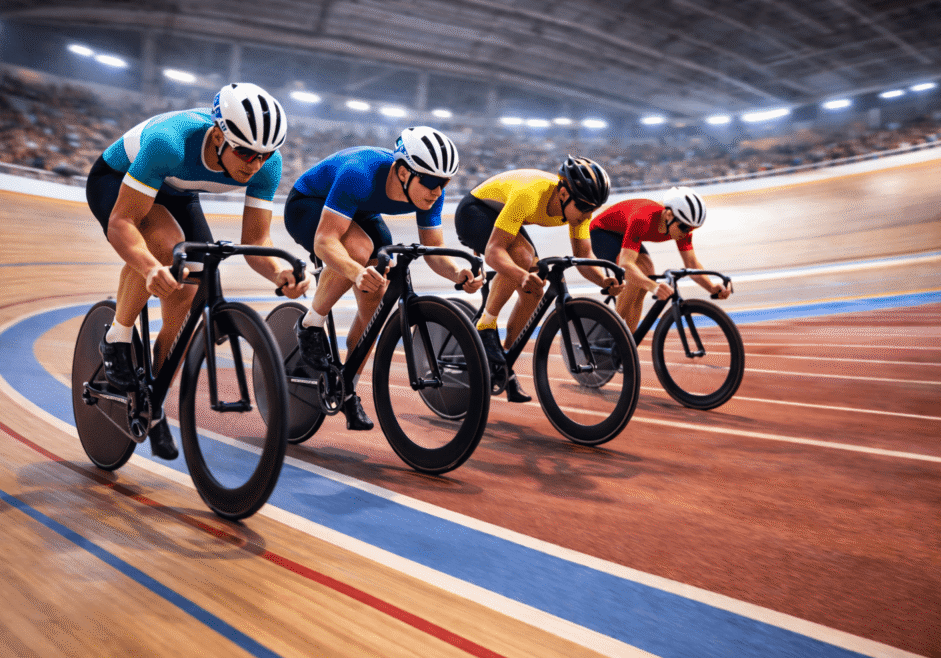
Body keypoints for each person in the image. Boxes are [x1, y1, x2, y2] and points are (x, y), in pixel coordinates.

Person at [85, 82, 311, 460]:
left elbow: (256, 241)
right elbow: (122, 222)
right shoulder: (168, 142)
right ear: (219, 134)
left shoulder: (267, 164)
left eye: (263, 155)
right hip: (116, 180)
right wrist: (149, 267)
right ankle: (118, 337)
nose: (253, 165)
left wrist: (278, 273)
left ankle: (152, 404)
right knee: (162, 249)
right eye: (244, 152)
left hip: (177, 189)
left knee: (192, 284)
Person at [285, 125, 482, 431]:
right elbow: (325, 241)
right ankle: (311, 323)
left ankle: (348, 386)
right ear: (403, 173)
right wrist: (354, 270)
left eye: (444, 183)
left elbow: (433, 252)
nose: (437, 191)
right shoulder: (359, 173)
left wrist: (458, 273)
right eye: (431, 182)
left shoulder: (431, 194)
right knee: (360, 249)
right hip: (308, 203)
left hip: (360, 210)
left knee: (375, 301)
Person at [454, 156, 621, 403]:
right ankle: (485, 326)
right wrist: (521, 275)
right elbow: (493, 252)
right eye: (585, 208)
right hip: (474, 211)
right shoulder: (529, 194)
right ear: (563, 193)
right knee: (522, 259)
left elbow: (584, 255)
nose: (588, 216)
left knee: (534, 292)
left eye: (594, 209)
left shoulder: (578, 208)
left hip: (503, 214)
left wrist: (604, 282)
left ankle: (502, 360)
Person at [589, 186, 729, 334]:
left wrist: (711, 287)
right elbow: (625, 265)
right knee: (640, 275)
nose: (687, 233)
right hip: (601, 232)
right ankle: (611, 332)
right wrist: (654, 287)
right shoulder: (643, 219)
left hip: (624, 231)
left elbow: (692, 264)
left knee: (647, 274)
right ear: (668, 215)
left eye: (692, 229)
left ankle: (628, 344)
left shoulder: (682, 227)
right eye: (685, 228)